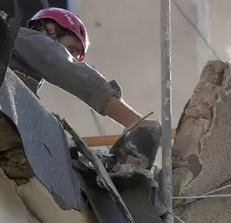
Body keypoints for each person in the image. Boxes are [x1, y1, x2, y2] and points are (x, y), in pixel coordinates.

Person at [9, 7, 159, 131]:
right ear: (50, 29)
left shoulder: (19, 68)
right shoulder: (31, 39)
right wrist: (135, 122)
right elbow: (72, 72)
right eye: (71, 50)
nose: (69, 57)